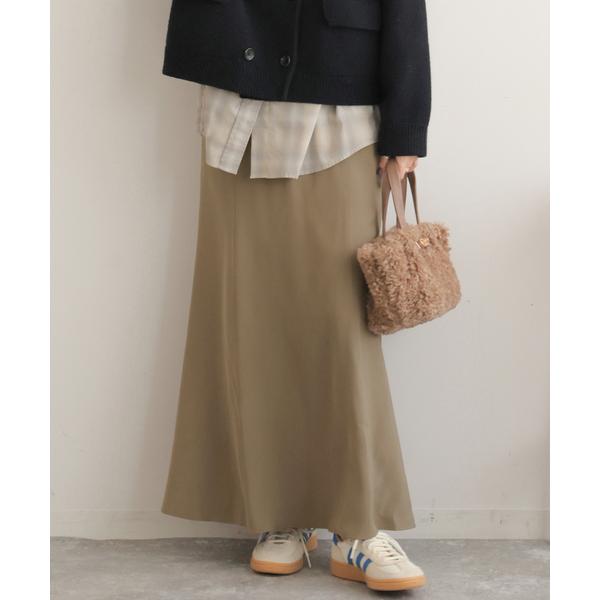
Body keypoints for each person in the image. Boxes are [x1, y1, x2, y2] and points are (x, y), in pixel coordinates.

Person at [160, 0, 431, 593]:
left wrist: (407, 125)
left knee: (341, 327)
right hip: (239, 104)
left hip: (339, 108)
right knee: (251, 320)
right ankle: (281, 511)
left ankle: (358, 528)